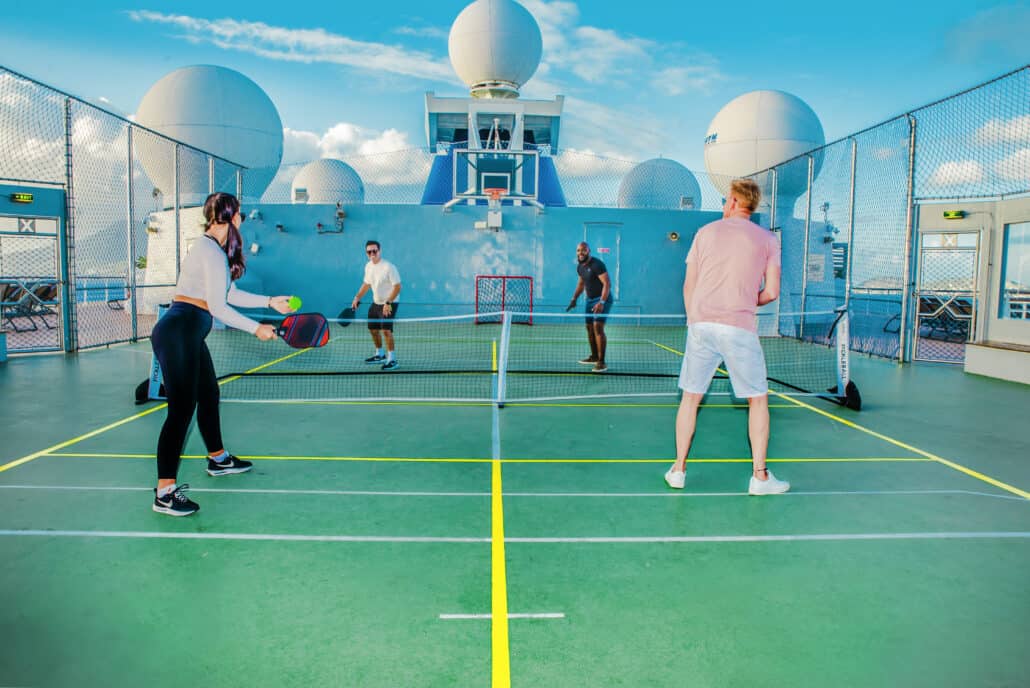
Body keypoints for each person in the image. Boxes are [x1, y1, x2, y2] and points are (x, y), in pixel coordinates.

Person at [150, 192, 295, 516]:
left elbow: (229, 293)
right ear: (232, 217)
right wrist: (256, 328)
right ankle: (165, 492)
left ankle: (218, 458)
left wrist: (270, 301)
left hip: (188, 331)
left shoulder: (210, 250)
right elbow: (218, 307)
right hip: (180, 331)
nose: (242, 219)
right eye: (240, 214)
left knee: (209, 394)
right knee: (181, 410)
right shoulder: (209, 250)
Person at [665, 178, 790, 495]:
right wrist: (748, 300)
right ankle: (760, 478)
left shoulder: (705, 233)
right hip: (739, 327)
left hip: (701, 326)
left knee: (691, 398)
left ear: (734, 201)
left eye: (725, 200)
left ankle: (678, 470)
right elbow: (771, 292)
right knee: (757, 400)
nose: (723, 206)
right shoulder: (767, 239)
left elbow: (688, 284)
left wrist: (694, 320)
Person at [351, 240, 402, 370]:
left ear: (379, 251)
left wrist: (388, 302)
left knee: (386, 330)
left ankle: (392, 359)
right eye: (369, 252)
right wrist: (357, 297)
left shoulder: (389, 267)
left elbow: (397, 287)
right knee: (373, 330)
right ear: (366, 253)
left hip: (390, 302)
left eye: (375, 251)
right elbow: (367, 284)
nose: (372, 253)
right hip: (376, 302)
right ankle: (380, 354)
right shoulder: (368, 266)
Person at [566, 242, 612, 372]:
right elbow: (581, 284)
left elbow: (607, 284)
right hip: (590, 300)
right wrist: (574, 299)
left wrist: (602, 302)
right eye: (578, 250)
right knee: (589, 328)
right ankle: (594, 356)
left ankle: (602, 362)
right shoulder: (580, 267)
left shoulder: (597, 264)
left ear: (589, 251)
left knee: (598, 327)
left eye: (584, 250)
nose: (581, 253)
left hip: (603, 299)